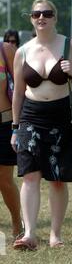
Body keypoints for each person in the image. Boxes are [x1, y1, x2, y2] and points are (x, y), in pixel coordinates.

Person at [11, 0, 72, 251]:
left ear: (55, 17)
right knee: (30, 175)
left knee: (58, 179)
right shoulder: (22, 51)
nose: (41, 18)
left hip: (62, 116)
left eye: (47, 13)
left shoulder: (70, 45)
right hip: (31, 117)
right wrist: (15, 128)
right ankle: (29, 234)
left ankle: (55, 235)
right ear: (31, 18)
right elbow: (18, 93)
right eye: (36, 14)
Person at [0, 41, 23, 240]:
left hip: (4, 123)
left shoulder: (5, 49)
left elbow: (21, 86)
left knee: (4, 180)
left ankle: (17, 221)